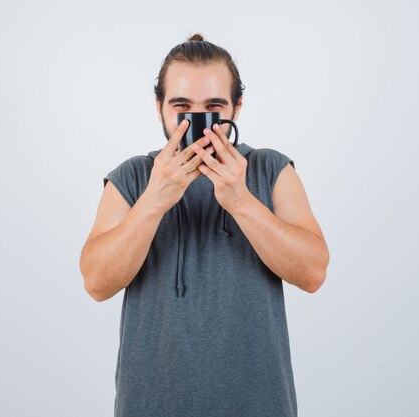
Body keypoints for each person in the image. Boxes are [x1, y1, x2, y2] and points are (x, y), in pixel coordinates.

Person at [80, 33, 329, 417]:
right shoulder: (131, 177)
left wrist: (241, 201)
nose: (198, 121)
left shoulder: (269, 169)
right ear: (159, 106)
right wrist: (154, 201)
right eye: (182, 106)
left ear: (238, 107)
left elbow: (313, 272)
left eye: (214, 106)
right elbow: (97, 283)